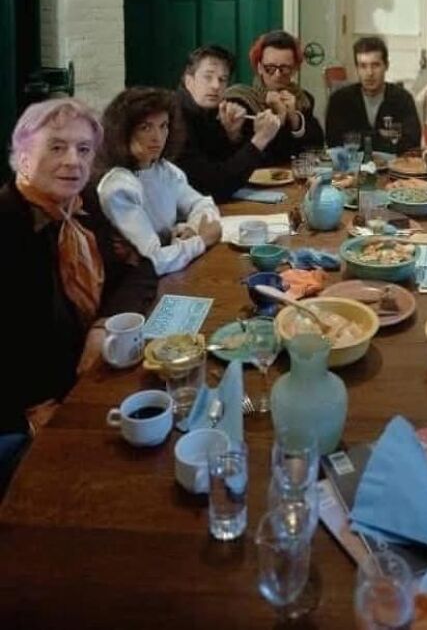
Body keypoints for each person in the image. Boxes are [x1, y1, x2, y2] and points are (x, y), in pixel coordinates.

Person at [0, 99, 157, 495]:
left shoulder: (82, 208)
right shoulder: (8, 223)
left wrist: (103, 326)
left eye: (84, 149)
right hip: (25, 410)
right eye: (56, 147)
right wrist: (38, 411)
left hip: (88, 380)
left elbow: (140, 269)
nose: (73, 161)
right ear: (22, 156)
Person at [97, 87, 222, 277]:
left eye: (163, 126)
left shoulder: (165, 170)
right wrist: (201, 240)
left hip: (176, 273)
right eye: (146, 127)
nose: (157, 137)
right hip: (136, 285)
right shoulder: (118, 187)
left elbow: (202, 203)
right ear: (123, 131)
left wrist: (191, 228)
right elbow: (153, 260)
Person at [174, 44, 282, 202]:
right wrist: (261, 139)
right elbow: (216, 185)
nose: (216, 85)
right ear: (189, 81)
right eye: (208, 77)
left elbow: (231, 169)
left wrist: (233, 136)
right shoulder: (175, 119)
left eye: (222, 79)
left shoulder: (210, 110)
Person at [223, 30, 324, 164]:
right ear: (259, 67)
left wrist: (294, 119)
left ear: (294, 69)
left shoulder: (303, 99)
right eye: (269, 68)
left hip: (292, 179)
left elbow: (316, 147)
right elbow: (258, 158)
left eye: (284, 68)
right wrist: (279, 120)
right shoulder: (241, 99)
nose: (277, 75)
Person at [324, 36, 421, 154]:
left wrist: (359, 137)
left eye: (375, 65)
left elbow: (412, 142)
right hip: (351, 169)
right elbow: (334, 141)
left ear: (386, 66)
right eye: (363, 66)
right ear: (357, 68)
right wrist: (380, 135)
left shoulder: (403, 99)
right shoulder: (339, 100)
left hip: (393, 170)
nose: (369, 73)